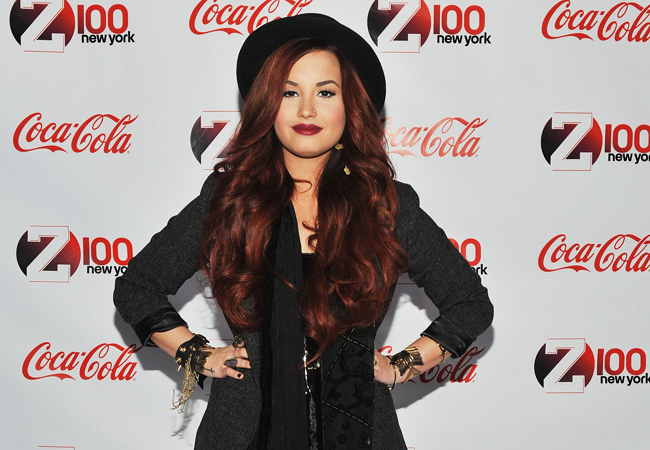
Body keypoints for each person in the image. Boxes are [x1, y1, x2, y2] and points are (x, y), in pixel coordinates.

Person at [114, 13, 493, 450]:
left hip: (361, 431)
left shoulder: (385, 205)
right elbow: (137, 287)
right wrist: (199, 355)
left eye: (325, 92)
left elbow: (470, 304)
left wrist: (400, 366)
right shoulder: (229, 200)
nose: (307, 109)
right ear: (267, 105)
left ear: (350, 106)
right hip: (244, 434)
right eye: (289, 92)